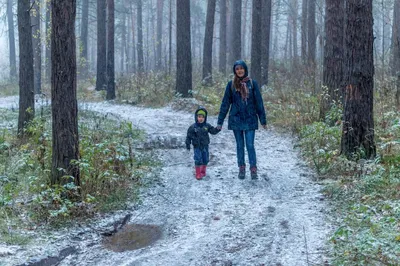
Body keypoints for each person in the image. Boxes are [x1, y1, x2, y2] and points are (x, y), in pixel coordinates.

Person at [216, 60, 267, 179]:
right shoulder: (231, 85)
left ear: (245, 69)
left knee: (250, 145)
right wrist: (220, 121)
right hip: (236, 119)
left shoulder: (252, 84)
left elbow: (259, 103)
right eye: (237, 69)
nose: (239, 71)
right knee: (240, 145)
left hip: (250, 119)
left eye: (241, 68)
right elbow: (225, 103)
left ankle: (253, 169)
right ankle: (241, 168)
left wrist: (263, 120)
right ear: (235, 71)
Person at [186, 107, 221, 180]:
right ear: (196, 117)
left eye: (202, 117)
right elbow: (188, 136)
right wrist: (188, 144)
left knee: (205, 159)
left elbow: (213, 131)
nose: (200, 119)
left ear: (205, 118)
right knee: (198, 159)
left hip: (205, 145)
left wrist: (217, 129)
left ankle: (203, 171)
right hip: (197, 146)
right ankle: (198, 173)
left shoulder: (207, 126)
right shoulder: (193, 127)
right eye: (199, 117)